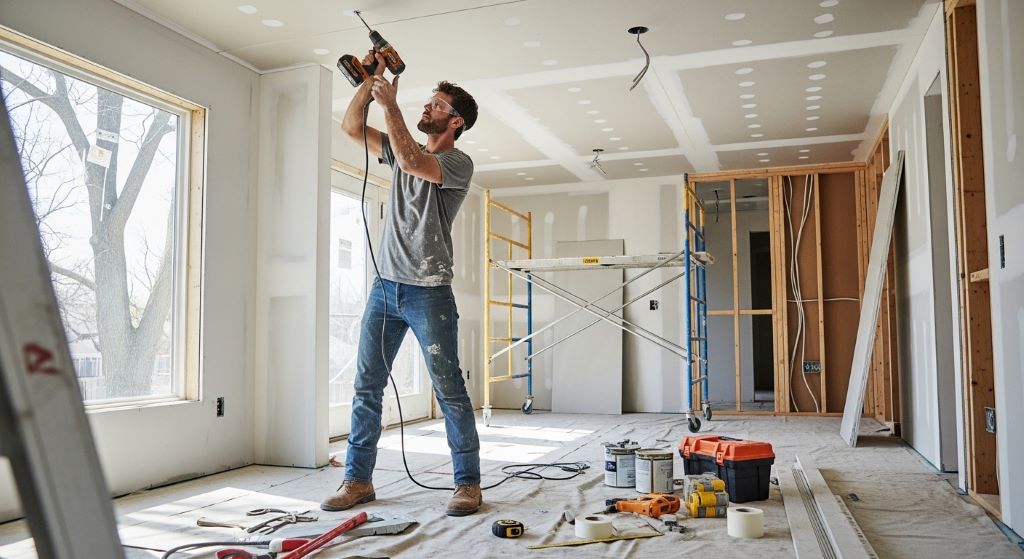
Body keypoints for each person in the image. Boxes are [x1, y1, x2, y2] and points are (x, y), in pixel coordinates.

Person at [321, 51, 482, 517]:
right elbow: (351, 127)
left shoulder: (457, 164)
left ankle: (468, 484)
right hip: (384, 288)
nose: (427, 108)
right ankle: (358, 481)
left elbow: (413, 161)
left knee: (448, 388)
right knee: (366, 386)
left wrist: (390, 102)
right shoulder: (397, 147)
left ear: (456, 122)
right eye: (428, 102)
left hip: (429, 290)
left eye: (435, 105)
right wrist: (371, 79)